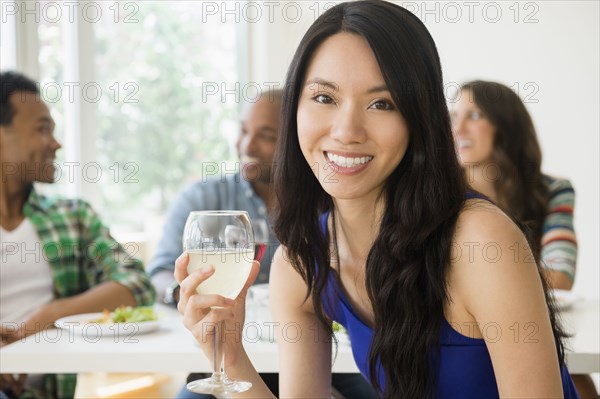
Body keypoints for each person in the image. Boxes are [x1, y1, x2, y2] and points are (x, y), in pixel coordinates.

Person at [173, 2, 580, 398]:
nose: (347, 130)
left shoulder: (480, 241)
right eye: (324, 98)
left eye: (381, 103)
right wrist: (227, 352)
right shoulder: (300, 262)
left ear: (418, 119)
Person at [149, 90, 376, 398]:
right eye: (243, 131)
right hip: (224, 348)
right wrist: (185, 293)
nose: (247, 146)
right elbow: (161, 269)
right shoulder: (203, 199)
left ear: (292, 142)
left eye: (266, 135)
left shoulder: (329, 203)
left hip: (319, 352)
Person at [0, 71, 155, 399]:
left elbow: (136, 284)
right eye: (42, 129)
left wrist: (49, 315)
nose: (55, 143)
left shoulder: (73, 217)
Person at [451, 80, 596, 397]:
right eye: (453, 116)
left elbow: (561, 274)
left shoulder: (552, 190)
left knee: (578, 381)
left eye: (474, 115)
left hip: (527, 332)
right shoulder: (438, 197)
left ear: (506, 125)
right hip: (458, 330)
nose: (457, 128)